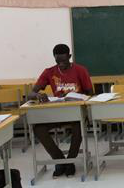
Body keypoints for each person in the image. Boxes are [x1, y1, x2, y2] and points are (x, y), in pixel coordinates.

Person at [26, 44, 93, 178]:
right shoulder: (49, 72)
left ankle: (70, 161)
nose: (61, 64)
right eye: (58, 61)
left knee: (78, 127)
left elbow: (90, 93)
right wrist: (38, 95)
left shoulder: (80, 70)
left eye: (64, 60)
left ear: (69, 56)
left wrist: (75, 96)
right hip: (56, 114)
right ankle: (60, 160)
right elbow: (31, 94)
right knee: (38, 129)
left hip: (76, 113)